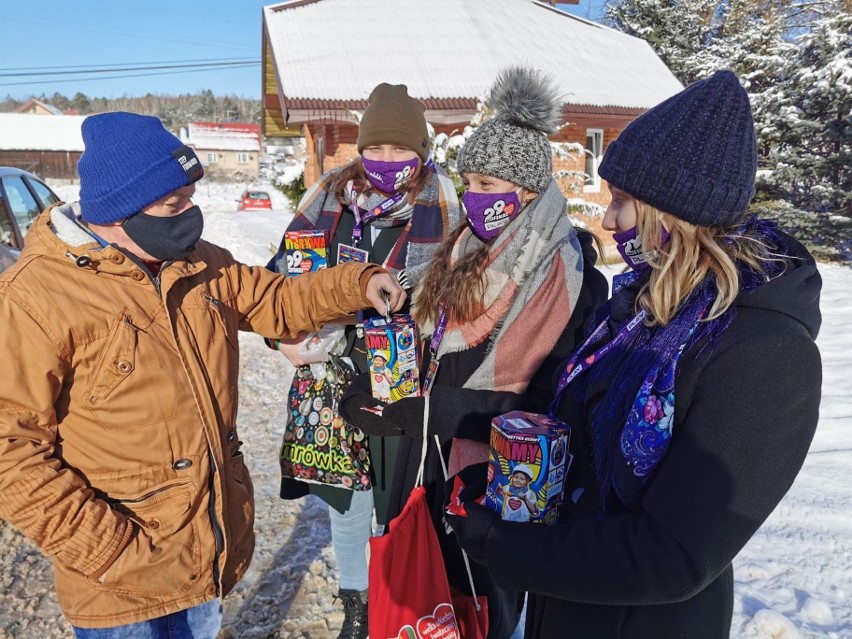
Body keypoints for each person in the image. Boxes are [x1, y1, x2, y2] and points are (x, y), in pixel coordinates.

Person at [445, 70, 823, 639]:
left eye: (622, 201)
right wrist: (508, 478)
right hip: (566, 605)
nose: (606, 220)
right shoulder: (640, 310)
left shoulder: (765, 354)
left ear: (677, 213)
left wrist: (507, 548)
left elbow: (673, 554)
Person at [0, 112, 404, 639]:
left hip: (204, 553)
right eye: (174, 205)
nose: (190, 215)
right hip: (121, 587)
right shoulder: (34, 298)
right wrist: (112, 552)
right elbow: (12, 453)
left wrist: (357, 284)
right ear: (118, 209)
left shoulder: (196, 263)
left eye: (191, 197)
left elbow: (274, 298)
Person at [340, 67, 609, 639]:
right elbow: (424, 347)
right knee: (427, 609)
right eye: (469, 183)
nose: (474, 197)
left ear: (530, 194)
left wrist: (435, 412)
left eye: (489, 185)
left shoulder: (567, 278)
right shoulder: (458, 252)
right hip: (428, 467)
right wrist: (377, 390)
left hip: (501, 486)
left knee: (485, 613)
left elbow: (544, 402)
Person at [268, 83, 459, 639]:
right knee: (346, 502)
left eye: (400, 150)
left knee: (397, 501)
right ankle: (357, 606)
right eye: (375, 149)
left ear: (421, 151)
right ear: (360, 149)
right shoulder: (325, 203)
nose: (386, 162)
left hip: (407, 380)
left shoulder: (448, 212)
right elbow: (275, 285)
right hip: (332, 379)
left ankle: (397, 600)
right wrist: (280, 339)